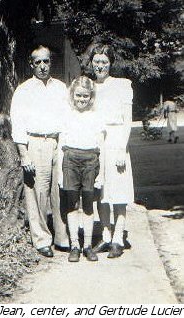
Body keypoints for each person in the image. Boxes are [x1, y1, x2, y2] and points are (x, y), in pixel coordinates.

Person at [10, 45, 69, 257]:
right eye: (38, 62)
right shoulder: (23, 90)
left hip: (59, 142)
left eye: (46, 61)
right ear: (31, 64)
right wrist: (23, 153)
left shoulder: (61, 88)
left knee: (60, 191)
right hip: (35, 143)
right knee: (38, 192)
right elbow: (17, 124)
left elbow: (68, 118)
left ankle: (62, 237)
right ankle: (42, 238)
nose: (43, 66)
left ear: (51, 62)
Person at [84, 42, 134, 258]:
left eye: (104, 62)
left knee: (119, 191)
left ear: (111, 63)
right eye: (96, 62)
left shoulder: (122, 85)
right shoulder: (89, 86)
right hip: (97, 142)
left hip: (116, 141)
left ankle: (118, 238)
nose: (100, 66)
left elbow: (127, 120)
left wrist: (122, 148)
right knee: (100, 191)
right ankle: (105, 235)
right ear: (92, 63)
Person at [59, 76, 105, 262]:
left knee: (87, 204)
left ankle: (87, 245)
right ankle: (74, 245)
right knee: (72, 204)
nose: (81, 99)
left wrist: (100, 174)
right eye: (78, 95)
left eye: (85, 96)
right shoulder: (67, 115)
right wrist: (61, 173)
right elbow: (62, 144)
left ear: (91, 96)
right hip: (70, 159)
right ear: (72, 95)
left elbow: (101, 146)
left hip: (90, 161)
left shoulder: (96, 116)